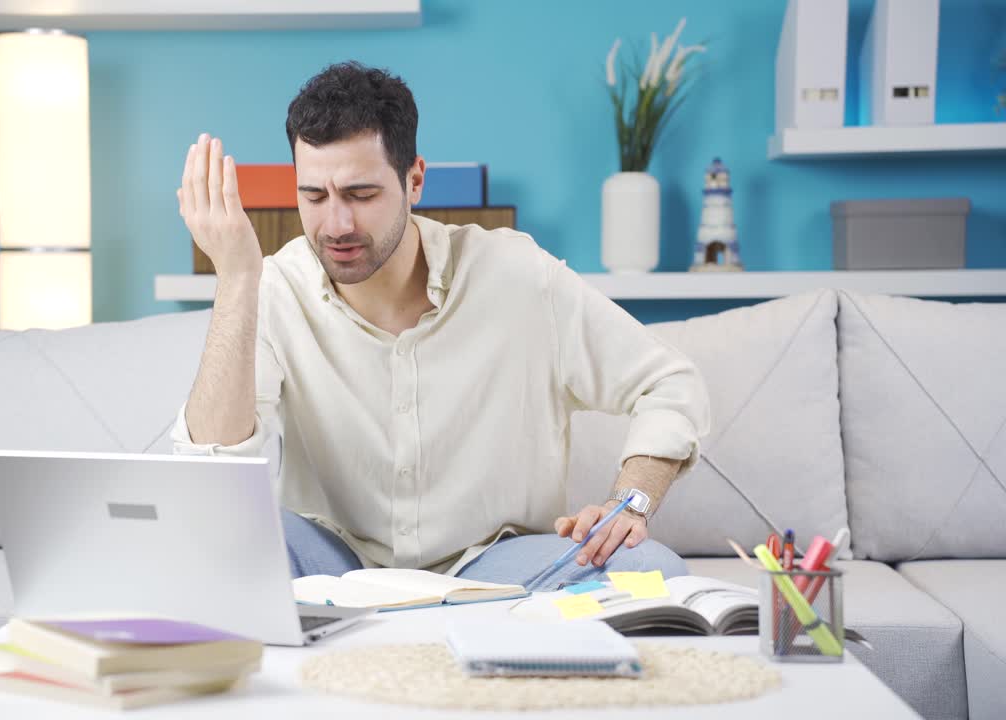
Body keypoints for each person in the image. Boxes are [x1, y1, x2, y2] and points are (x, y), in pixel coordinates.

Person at [171, 61, 709, 590]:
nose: (336, 225)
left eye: (361, 195)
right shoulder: (274, 287)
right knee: (213, 537)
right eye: (314, 196)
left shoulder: (519, 277)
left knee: (648, 573)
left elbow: (667, 382)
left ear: (415, 180)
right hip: (331, 564)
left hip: (495, 567)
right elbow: (210, 471)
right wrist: (237, 277)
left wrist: (630, 500)